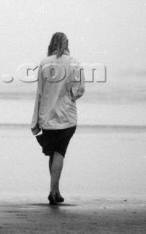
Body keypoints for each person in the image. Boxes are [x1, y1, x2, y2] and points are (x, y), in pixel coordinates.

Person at [31, 32, 85, 205]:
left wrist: (35, 119)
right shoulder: (74, 63)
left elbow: (40, 92)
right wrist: (70, 95)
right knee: (60, 152)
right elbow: (80, 89)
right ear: (67, 43)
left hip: (46, 116)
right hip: (67, 116)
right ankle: (53, 190)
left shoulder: (44, 63)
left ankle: (55, 190)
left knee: (53, 154)